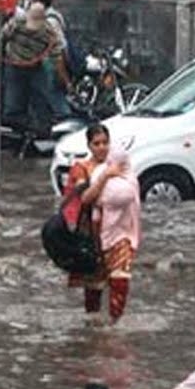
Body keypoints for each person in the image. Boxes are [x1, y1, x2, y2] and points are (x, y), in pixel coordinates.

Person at [61, 124, 141, 322]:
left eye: (105, 142)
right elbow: (85, 198)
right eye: (96, 143)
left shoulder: (119, 164)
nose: (102, 147)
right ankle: (94, 328)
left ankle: (116, 325)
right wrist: (104, 176)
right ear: (89, 145)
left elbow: (131, 190)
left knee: (120, 278)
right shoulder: (82, 169)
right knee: (93, 289)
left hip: (121, 231)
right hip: (91, 235)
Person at [2, 2, 70, 132]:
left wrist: (65, 80)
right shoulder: (16, 23)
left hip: (35, 68)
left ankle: (40, 129)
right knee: (13, 104)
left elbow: (57, 57)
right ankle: (16, 132)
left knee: (41, 100)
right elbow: (2, 37)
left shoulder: (50, 32)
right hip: (14, 66)